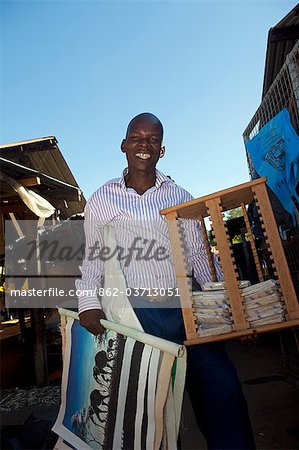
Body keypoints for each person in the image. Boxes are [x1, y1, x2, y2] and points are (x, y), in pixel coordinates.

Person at [77, 112, 255, 449]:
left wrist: (229, 309)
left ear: (162, 149)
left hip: (189, 307)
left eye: (152, 139)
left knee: (222, 388)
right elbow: (93, 256)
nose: (144, 144)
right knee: (144, 408)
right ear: (124, 144)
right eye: (137, 137)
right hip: (139, 313)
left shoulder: (179, 195)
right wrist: (88, 303)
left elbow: (200, 257)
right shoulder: (102, 198)